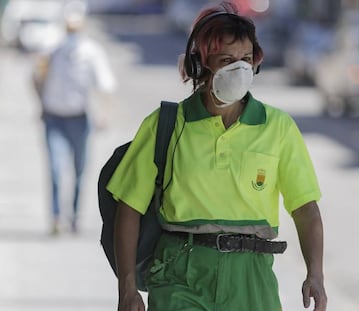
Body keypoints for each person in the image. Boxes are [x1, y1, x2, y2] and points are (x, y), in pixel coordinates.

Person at [107, 1, 327, 310]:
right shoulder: (166, 124)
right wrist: (127, 289)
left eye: (246, 59)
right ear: (200, 64)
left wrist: (315, 273)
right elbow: (128, 208)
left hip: (252, 278)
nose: (239, 68)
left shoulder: (278, 127)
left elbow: (305, 208)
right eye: (226, 59)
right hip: (180, 275)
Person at [33, 0, 116, 235]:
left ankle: (75, 216)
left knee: (79, 171)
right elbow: (36, 78)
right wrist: (40, 103)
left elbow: (105, 85)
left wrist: (104, 115)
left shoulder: (91, 52)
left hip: (79, 120)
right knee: (56, 170)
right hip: (54, 119)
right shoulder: (51, 50)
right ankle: (57, 218)